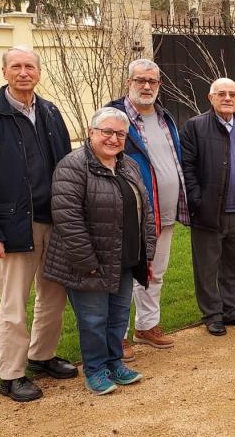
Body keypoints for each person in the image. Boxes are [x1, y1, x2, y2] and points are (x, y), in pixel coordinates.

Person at [0, 46, 76, 403]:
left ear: (38, 73)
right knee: (13, 303)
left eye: (29, 66)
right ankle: (11, 374)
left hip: (53, 221)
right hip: (13, 226)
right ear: (5, 72)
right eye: (16, 67)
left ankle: (42, 354)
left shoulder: (52, 112)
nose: (23, 72)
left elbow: (66, 168)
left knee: (53, 296)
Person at [43, 107, 157, 395]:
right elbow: (68, 218)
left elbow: (146, 211)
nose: (113, 139)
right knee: (94, 320)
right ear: (91, 133)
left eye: (120, 134)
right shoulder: (72, 166)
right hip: (90, 262)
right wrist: (87, 261)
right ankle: (95, 370)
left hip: (125, 259)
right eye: (107, 131)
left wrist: (148, 254)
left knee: (118, 317)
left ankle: (114, 363)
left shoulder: (127, 165)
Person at [106, 60, 188, 353]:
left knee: (155, 273)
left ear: (159, 85)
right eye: (140, 80)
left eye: (152, 81)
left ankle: (147, 326)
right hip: (129, 214)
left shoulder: (165, 117)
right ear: (129, 82)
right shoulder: (114, 117)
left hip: (163, 214)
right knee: (124, 274)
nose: (146, 86)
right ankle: (117, 336)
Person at [180, 78, 235, 336]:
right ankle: (212, 314)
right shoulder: (195, 127)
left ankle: (231, 310)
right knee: (207, 267)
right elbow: (188, 170)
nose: (228, 98)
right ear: (211, 98)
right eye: (222, 94)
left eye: (232, 94)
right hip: (209, 212)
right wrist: (197, 202)